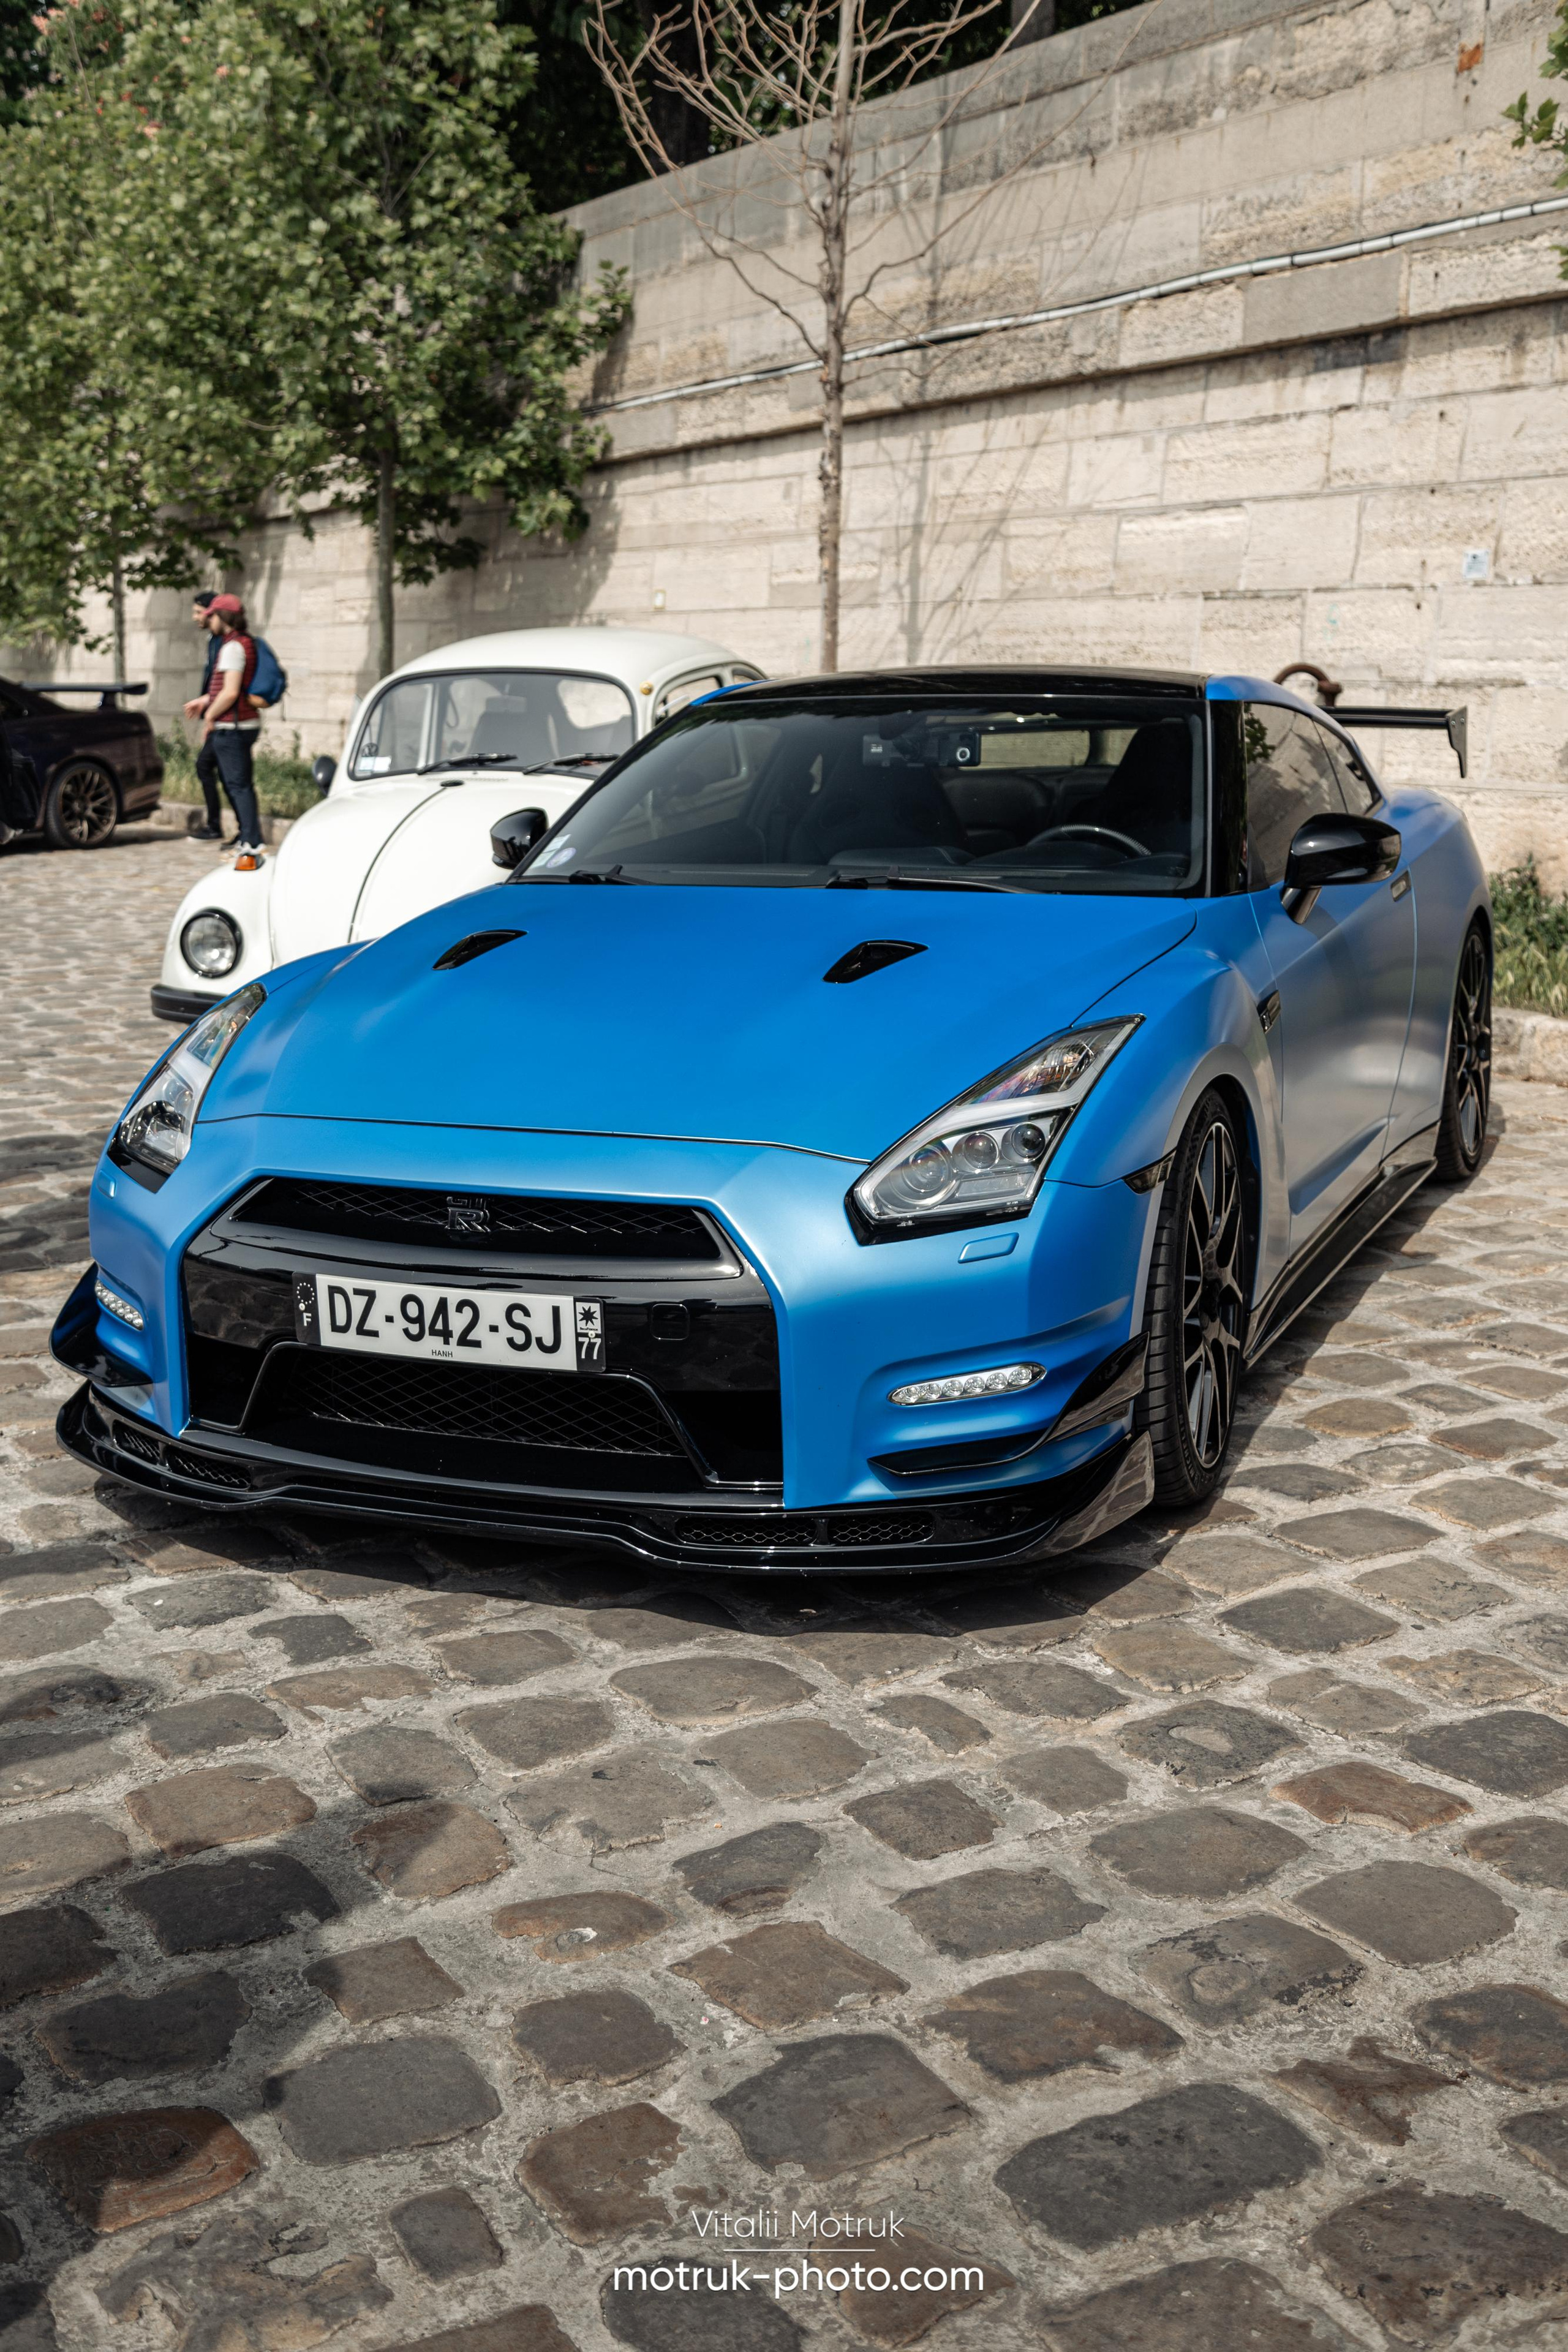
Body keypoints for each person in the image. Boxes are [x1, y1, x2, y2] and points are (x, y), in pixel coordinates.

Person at [197, 593, 264, 865]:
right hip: (236, 725)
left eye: (212, 615)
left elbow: (230, 691)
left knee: (238, 786)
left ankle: (251, 842)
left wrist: (210, 715)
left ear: (223, 617)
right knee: (235, 782)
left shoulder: (234, 647)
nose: (208, 620)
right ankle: (248, 838)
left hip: (233, 727)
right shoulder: (239, 644)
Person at [181, 592, 227, 840]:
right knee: (212, 768)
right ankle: (220, 825)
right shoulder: (213, 640)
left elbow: (224, 686)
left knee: (212, 768)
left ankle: (220, 826)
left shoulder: (224, 642)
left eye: (198, 612)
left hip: (224, 717)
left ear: (212, 613)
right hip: (215, 715)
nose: (194, 617)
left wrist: (210, 715)